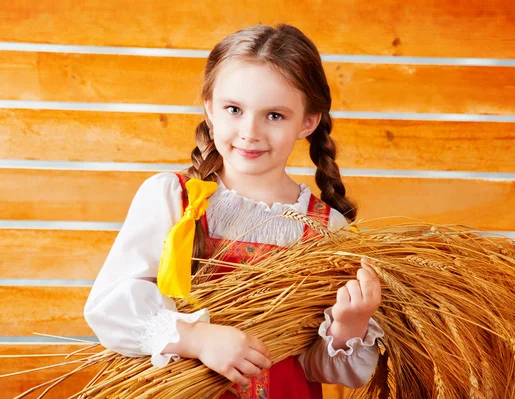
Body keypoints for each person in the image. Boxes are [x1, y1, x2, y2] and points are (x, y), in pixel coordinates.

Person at [84, 24, 384, 399]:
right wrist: (198, 338)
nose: (250, 131)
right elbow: (111, 307)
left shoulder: (327, 229)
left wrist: (349, 325)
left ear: (308, 121)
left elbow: (319, 366)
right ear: (210, 108)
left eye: (274, 115)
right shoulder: (173, 199)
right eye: (234, 109)